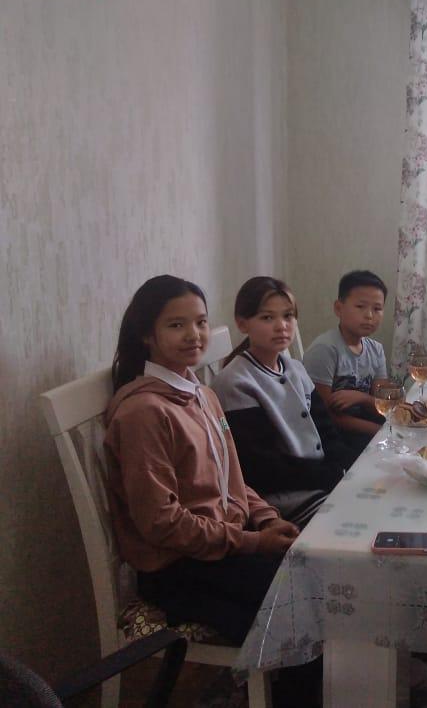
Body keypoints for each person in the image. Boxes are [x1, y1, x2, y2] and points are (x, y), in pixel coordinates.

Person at [104, 275, 299, 648]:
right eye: (176, 325)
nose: (193, 334)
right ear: (146, 334)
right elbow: (161, 523)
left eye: (201, 322)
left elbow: (231, 477)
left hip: (223, 546)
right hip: (178, 568)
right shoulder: (144, 413)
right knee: (296, 597)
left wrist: (266, 517)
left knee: (308, 572)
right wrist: (252, 542)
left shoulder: (203, 396)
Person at [211, 277, 356, 524]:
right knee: (355, 519)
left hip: (317, 481)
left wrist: (343, 466)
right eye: (267, 318)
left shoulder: (295, 368)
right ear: (242, 323)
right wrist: (328, 475)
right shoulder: (236, 383)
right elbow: (263, 468)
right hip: (279, 498)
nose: (282, 326)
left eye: (288, 316)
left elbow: (326, 429)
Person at [303, 270, 388, 447]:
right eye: (360, 306)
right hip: (331, 436)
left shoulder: (376, 349)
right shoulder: (324, 350)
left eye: (377, 309)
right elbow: (325, 416)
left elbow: (382, 405)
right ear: (338, 308)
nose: (369, 315)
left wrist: (362, 398)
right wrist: (380, 432)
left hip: (363, 426)